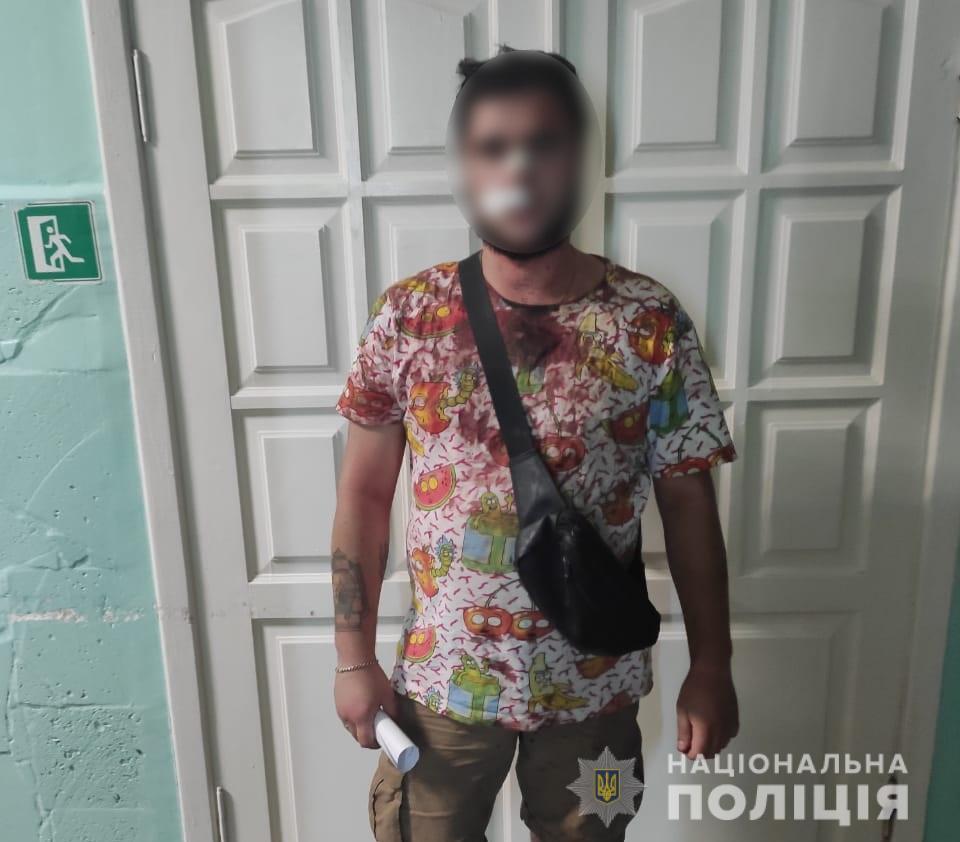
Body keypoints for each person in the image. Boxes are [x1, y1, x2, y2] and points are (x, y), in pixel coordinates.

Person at [331, 47, 739, 842]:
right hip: (442, 693)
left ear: (579, 158)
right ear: (466, 167)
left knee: (597, 831)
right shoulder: (410, 317)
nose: (518, 168)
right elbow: (364, 494)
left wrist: (712, 665)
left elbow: (690, 506)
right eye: (493, 147)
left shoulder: (648, 321)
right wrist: (353, 658)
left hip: (599, 695)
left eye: (544, 143)